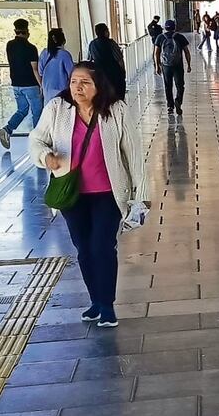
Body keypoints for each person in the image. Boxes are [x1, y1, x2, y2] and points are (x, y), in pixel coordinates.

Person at [29, 61, 149, 328]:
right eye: (74, 81)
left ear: (98, 85)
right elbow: (36, 138)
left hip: (108, 193)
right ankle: (95, 301)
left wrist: (142, 194)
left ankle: (107, 305)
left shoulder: (116, 110)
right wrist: (45, 156)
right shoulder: (57, 109)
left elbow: (134, 153)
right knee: (84, 248)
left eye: (85, 82)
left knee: (102, 246)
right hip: (72, 194)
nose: (78, 87)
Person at [0, 18, 43, 150]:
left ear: (15, 30)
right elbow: (35, 69)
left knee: (22, 109)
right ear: (27, 31)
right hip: (30, 84)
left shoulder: (9, 45)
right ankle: (38, 139)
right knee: (37, 112)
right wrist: (41, 85)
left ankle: (8, 129)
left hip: (16, 83)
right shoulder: (31, 48)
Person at [153, 20, 192, 116]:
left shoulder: (160, 37)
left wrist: (157, 66)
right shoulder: (179, 37)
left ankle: (170, 106)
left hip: (166, 66)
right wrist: (189, 65)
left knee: (168, 86)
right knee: (180, 85)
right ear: (174, 27)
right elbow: (187, 52)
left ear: (165, 27)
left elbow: (156, 53)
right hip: (178, 65)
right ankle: (178, 101)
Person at [87, 23, 127, 99]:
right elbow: (119, 60)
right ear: (105, 32)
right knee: (117, 96)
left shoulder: (92, 44)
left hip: (100, 75)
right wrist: (123, 71)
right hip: (114, 74)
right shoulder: (111, 43)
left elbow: (90, 60)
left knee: (103, 97)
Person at [38, 28, 75, 104]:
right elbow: (72, 74)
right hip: (61, 92)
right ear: (64, 40)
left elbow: (40, 72)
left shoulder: (44, 53)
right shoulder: (65, 55)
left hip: (47, 91)